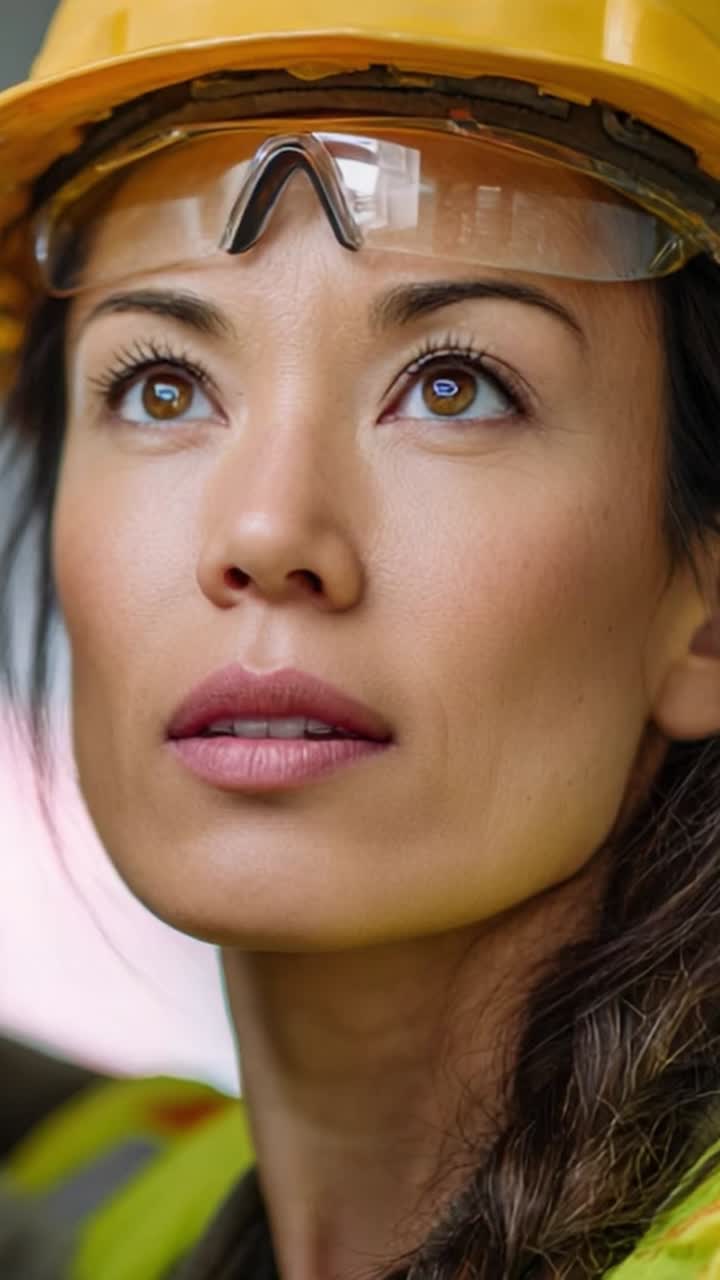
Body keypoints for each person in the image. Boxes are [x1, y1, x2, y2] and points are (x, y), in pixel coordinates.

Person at [2, 0, 720, 1276]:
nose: (270, 528)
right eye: (161, 383)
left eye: (456, 385)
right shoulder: (103, 1208)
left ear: (705, 612)